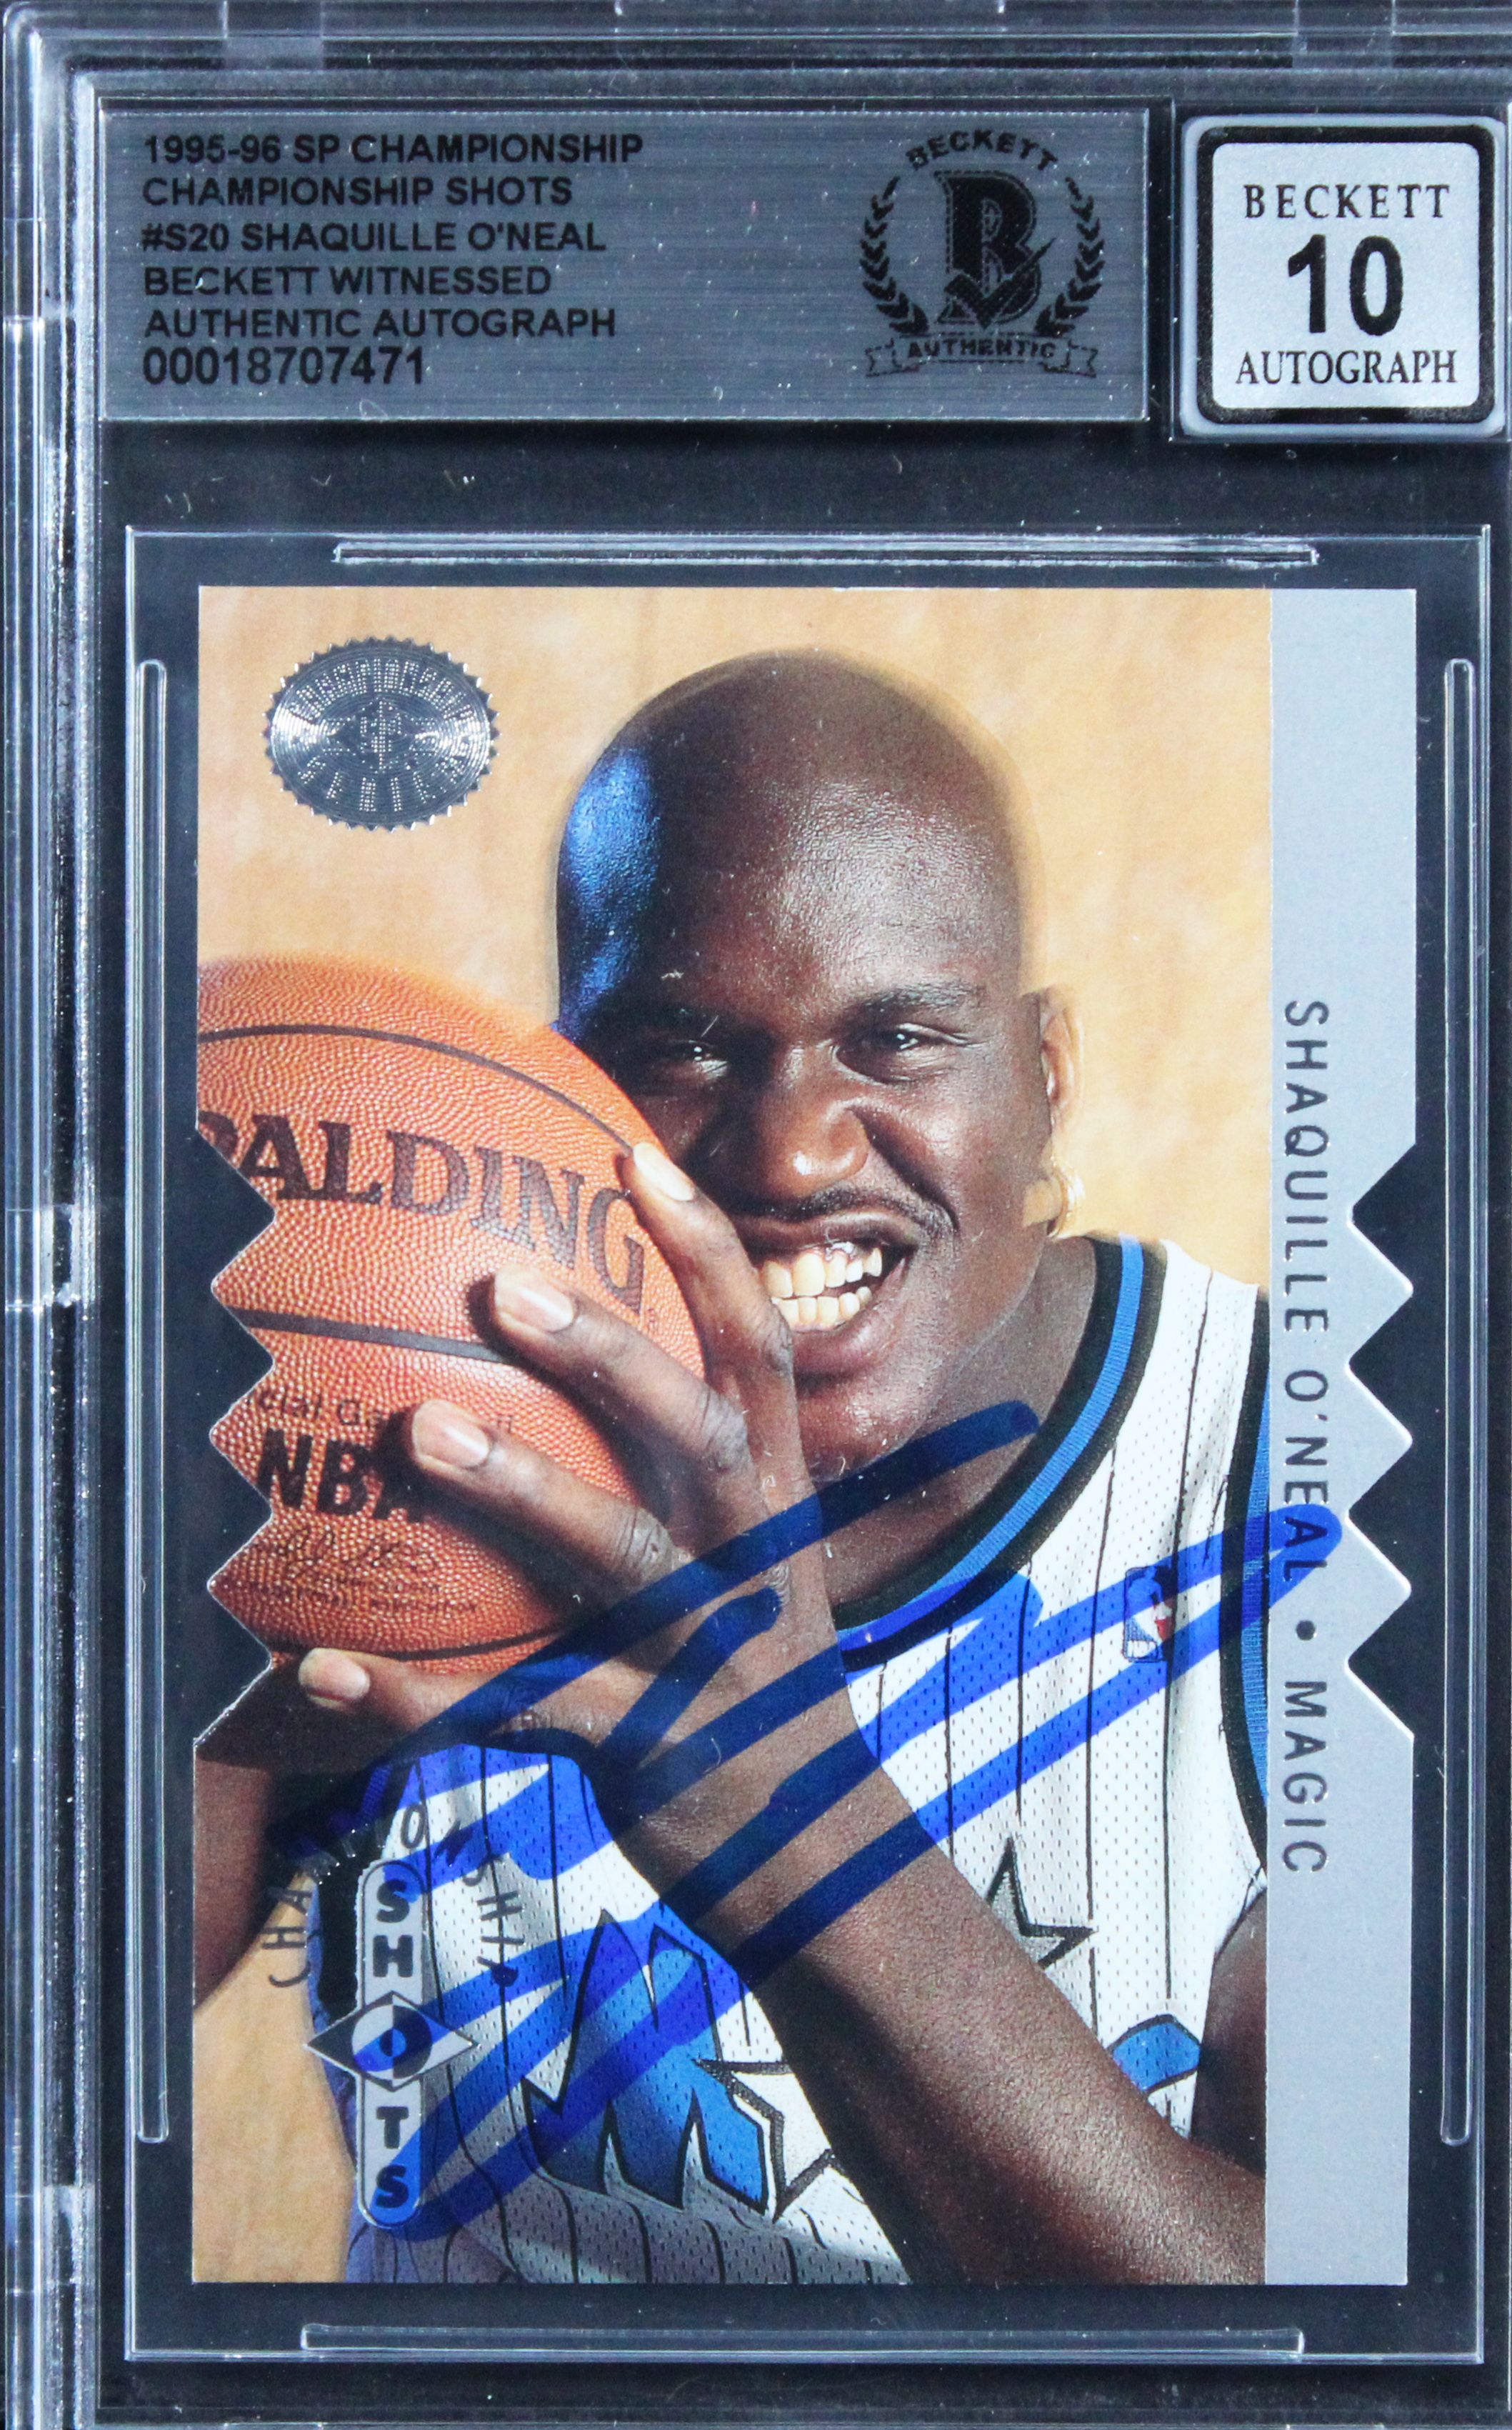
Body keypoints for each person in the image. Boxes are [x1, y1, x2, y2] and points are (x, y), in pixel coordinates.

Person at [196, 650, 1269, 2287]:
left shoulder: (1317, 1485)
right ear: (556, 1076)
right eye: (684, 1044)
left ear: (1043, 1075)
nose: (790, 1151)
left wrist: (780, 1810)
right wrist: (155, 1621)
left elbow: (1323, 2360)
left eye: (898, 1041)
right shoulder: (398, 1407)